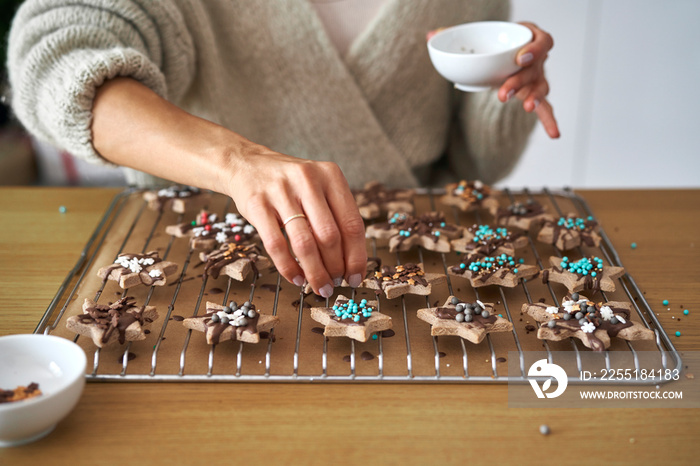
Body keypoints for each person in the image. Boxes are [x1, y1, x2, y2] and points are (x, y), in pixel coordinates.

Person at [7, 0, 558, 298]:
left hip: (410, 265)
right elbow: (54, 63)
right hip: (190, 265)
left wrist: (507, 83)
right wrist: (236, 161)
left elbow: (476, 166)